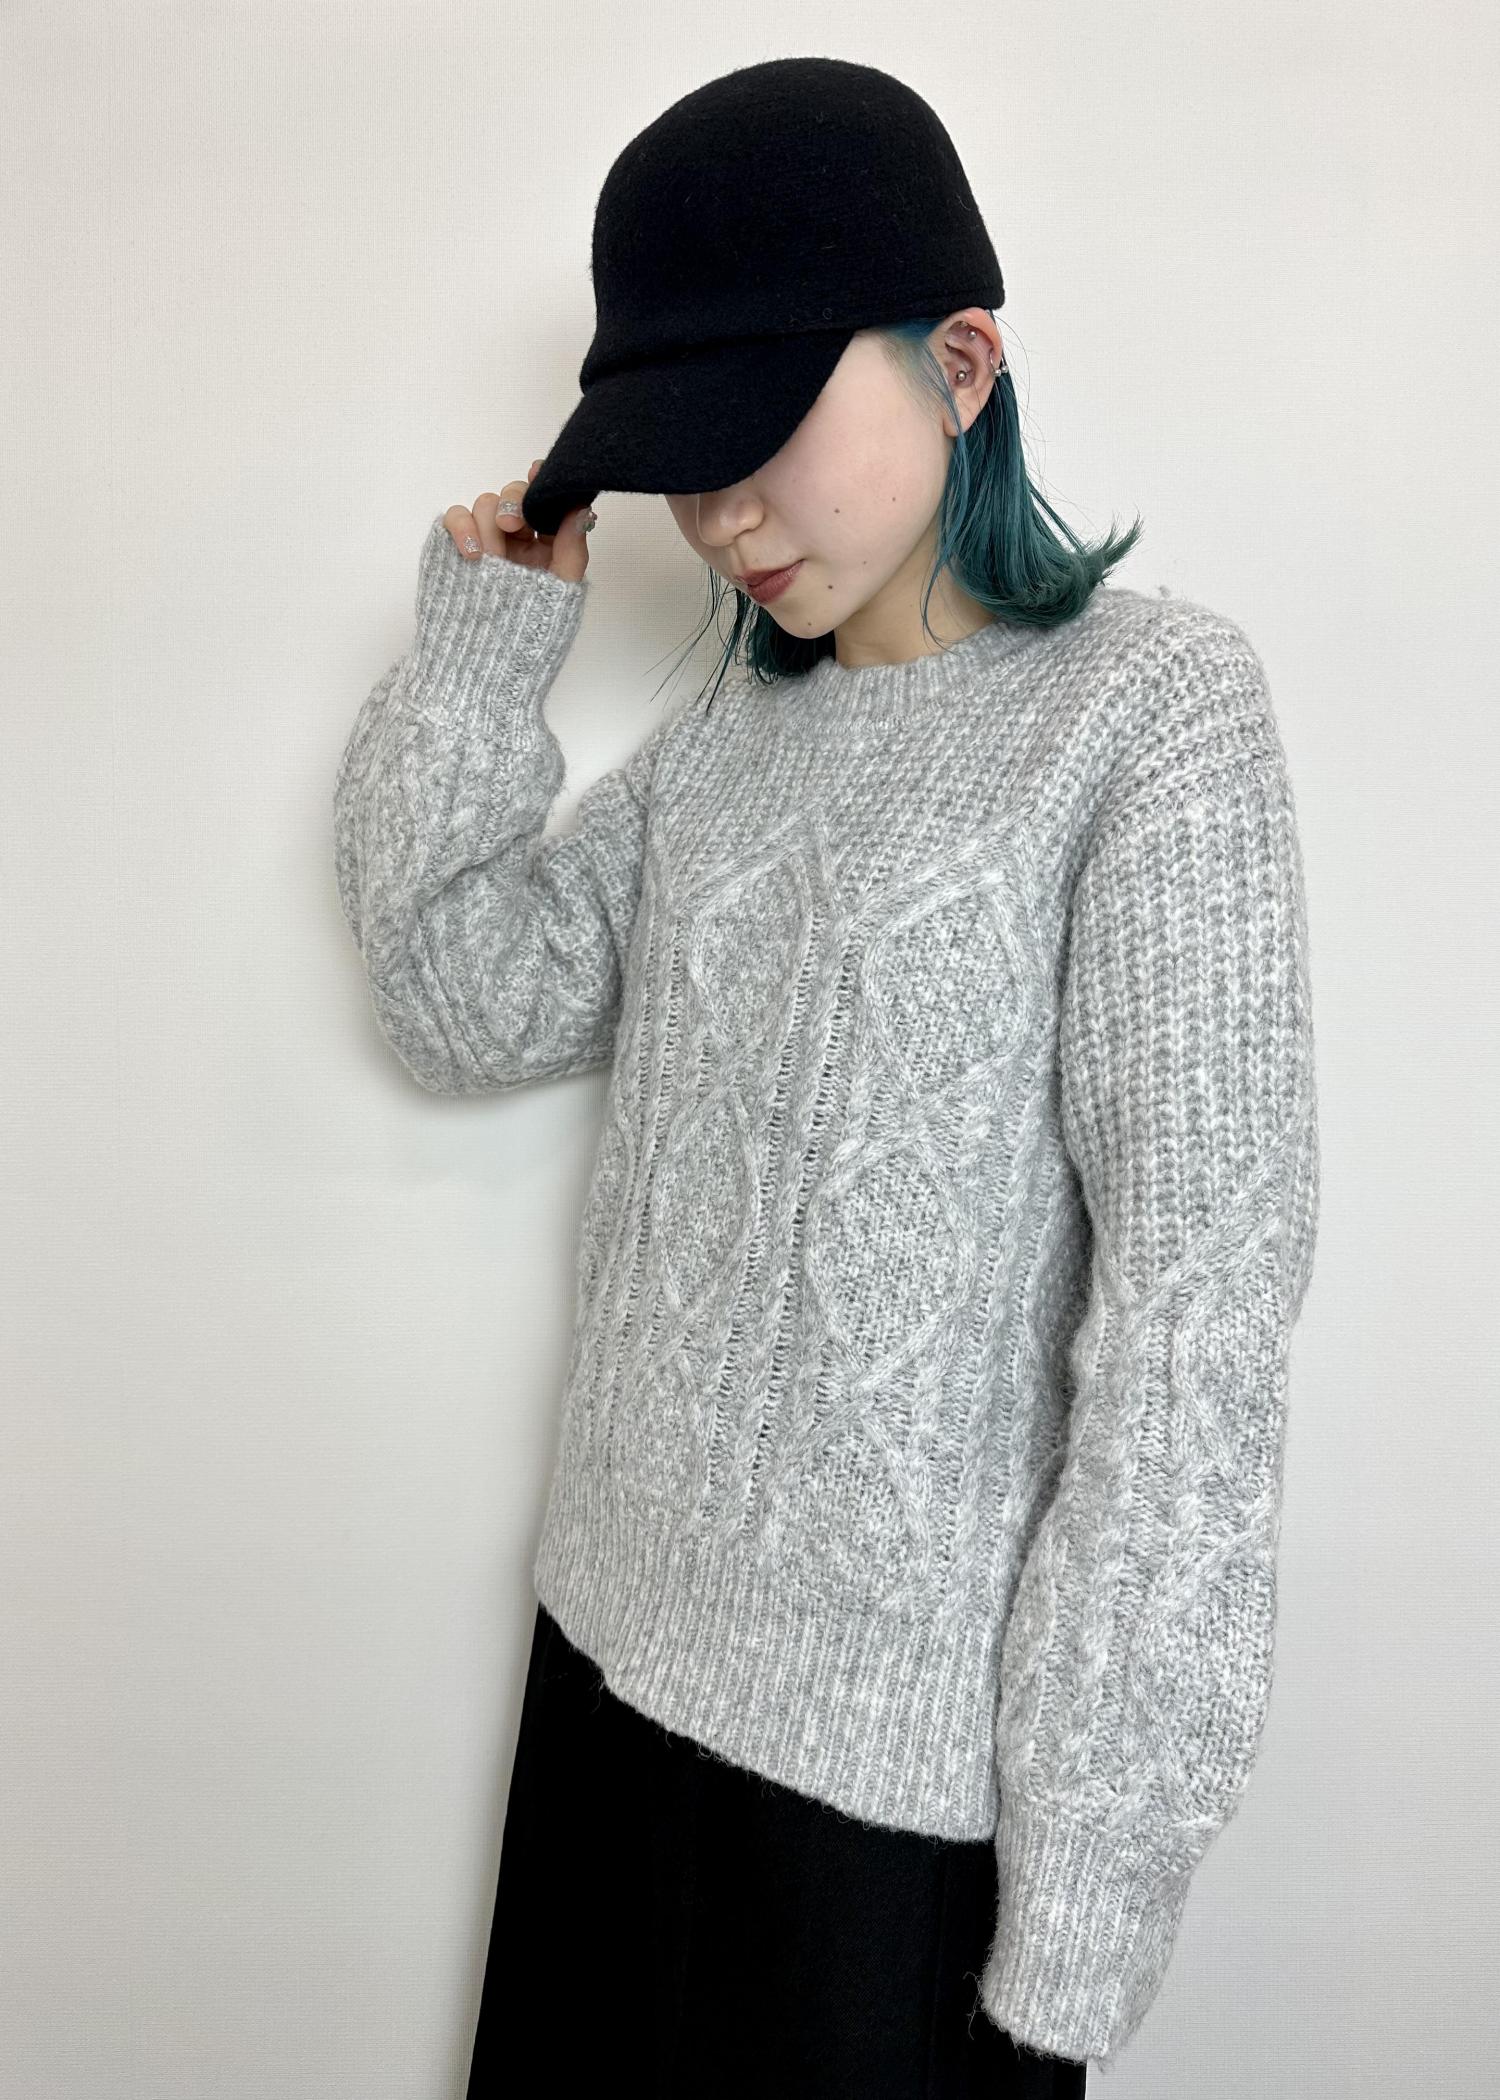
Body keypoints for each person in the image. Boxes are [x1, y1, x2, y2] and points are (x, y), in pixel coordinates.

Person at [332, 59, 1320, 2096]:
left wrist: (1072, 1950)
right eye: (680, 460)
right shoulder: (723, 745)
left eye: (761, 429)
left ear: (961, 363)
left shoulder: (1152, 720)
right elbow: (457, 1002)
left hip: (879, 1822)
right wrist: (487, 648)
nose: (719, 516)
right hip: (600, 1692)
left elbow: (1193, 1344)